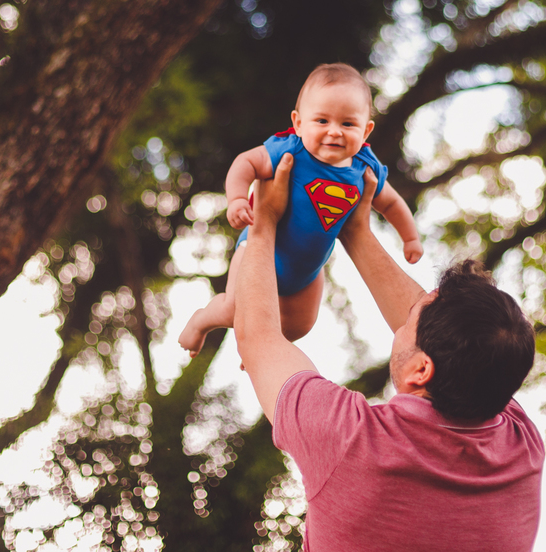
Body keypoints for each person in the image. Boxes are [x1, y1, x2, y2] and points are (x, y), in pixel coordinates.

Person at [234, 154, 544, 552]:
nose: (402, 322)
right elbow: (454, 338)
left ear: (421, 370)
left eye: (409, 319)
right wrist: (355, 230)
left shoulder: (352, 441)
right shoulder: (520, 445)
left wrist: (264, 221)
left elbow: (258, 339)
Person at [179, 63, 421, 356]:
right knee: (236, 308)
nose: (334, 131)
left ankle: (263, 353)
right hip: (260, 250)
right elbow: (246, 162)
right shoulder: (290, 150)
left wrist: (410, 238)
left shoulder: (365, 167)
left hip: (308, 271)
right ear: (298, 123)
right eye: (322, 120)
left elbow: (391, 203)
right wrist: (238, 199)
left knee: (300, 326)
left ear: (366, 130)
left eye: (348, 124)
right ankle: (202, 320)